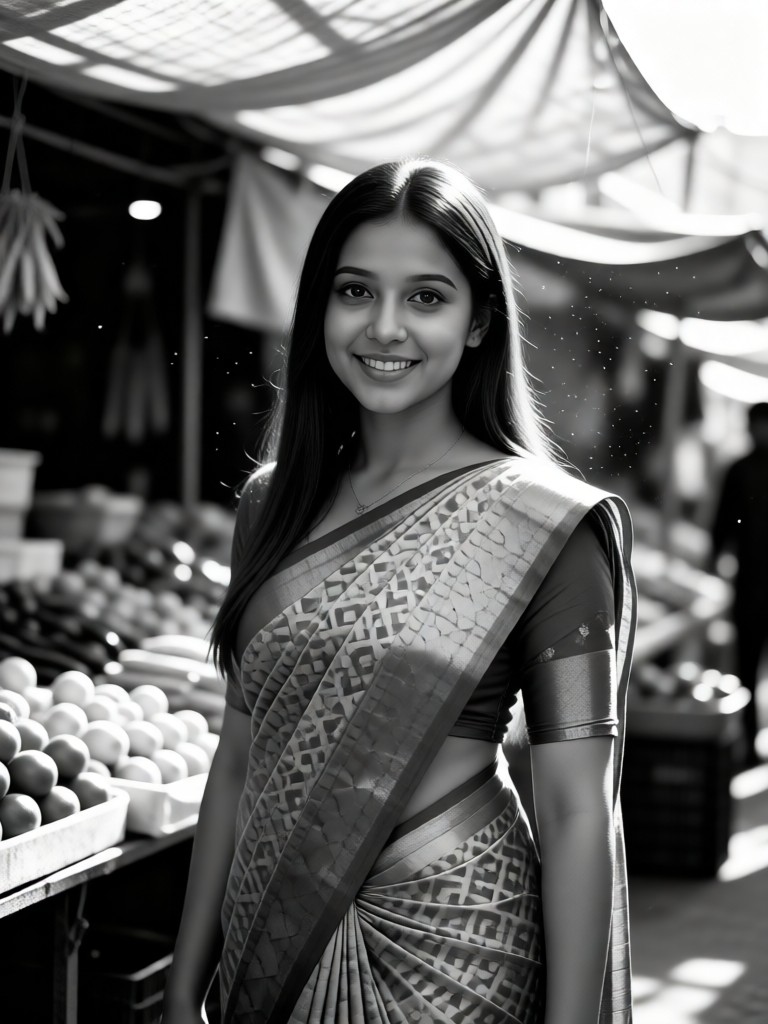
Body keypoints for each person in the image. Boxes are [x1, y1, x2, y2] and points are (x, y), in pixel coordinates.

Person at [162, 159, 636, 1024]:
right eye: (355, 292)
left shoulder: (544, 529)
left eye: (426, 297)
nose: (385, 327)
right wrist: (184, 983)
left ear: (480, 319)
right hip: (266, 945)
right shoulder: (273, 504)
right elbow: (238, 760)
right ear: (320, 308)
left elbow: (575, 810)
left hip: (455, 945)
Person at [710, 401, 768, 766]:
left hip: (753, 583)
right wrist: (716, 561)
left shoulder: (740, 469)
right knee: (746, 665)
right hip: (749, 585)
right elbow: (723, 522)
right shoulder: (739, 470)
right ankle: (748, 742)